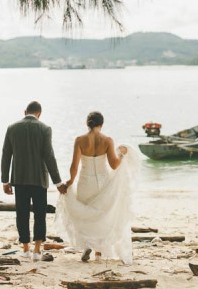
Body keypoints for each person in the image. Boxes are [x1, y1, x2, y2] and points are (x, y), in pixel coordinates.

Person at [55, 111, 139, 264]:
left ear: (88, 124)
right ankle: (98, 253)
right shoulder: (107, 140)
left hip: (85, 182)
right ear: (101, 124)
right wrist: (121, 155)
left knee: (86, 213)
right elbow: (114, 165)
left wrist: (70, 182)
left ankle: (87, 244)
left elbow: (74, 166)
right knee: (101, 215)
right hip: (102, 182)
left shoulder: (80, 140)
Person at [1, 101, 67, 262]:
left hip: (19, 179)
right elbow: (49, 156)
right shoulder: (45, 129)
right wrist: (58, 182)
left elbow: (6, 155)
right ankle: (37, 250)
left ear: (25, 111)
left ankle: (25, 248)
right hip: (39, 179)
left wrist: (5, 180)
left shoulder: (12, 128)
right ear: (39, 114)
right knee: (39, 214)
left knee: (21, 214)